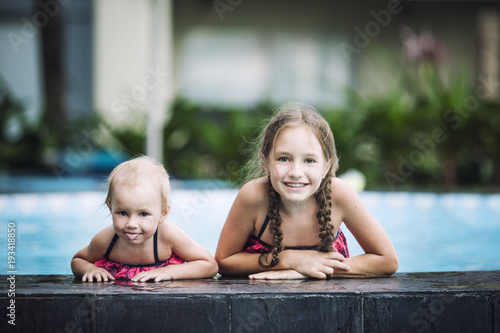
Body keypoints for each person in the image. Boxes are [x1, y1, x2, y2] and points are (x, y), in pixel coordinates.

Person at [215, 102, 398, 279]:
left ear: (327, 166)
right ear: (266, 162)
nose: (295, 172)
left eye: (309, 160)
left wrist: (302, 271)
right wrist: (289, 260)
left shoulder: (339, 194)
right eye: (284, 159)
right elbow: (223, 262)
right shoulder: (253, 196)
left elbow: (387, 261)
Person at [72, 156, 218, 282]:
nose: (131, 224)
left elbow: (209, 265)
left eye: (143, 214)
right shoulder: (107, 240)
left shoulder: (167, 236)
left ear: (163, 213)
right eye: (122, 213)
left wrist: (168, 272)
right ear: (110, 208)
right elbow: (78, 260)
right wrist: (90, 269)